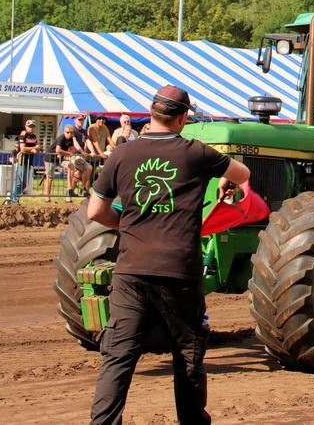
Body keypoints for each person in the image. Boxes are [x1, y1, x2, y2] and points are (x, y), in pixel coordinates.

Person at [88, 85, 249, 425]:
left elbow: (95, 211)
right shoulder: (196, 153)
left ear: (151, 112)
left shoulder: (122, 154)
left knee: (118, 356)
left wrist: (128, 225)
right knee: (187, 353)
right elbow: (243, 174)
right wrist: (226, 181)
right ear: (183, 118)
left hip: (131, 270)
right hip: (178, 271)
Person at [44, 125, 88, 203]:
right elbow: (58, 150)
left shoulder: (72, 139)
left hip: (59, 158)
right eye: (68, 132)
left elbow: (76, 146)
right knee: (49, 177)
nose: (69, 134)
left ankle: (69, 189)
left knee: (71, 166)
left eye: (71, 132)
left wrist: (82, 152)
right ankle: (47, 196)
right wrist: (68, 153)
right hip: (50, 158)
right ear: (64, 132)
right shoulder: (61, 137)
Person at [5, 119, 40, 205]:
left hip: (28, 161)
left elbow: (39, 148)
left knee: (24, 184)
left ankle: (10, 196)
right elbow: (23, 148)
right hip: (20, 160)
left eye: (33, 126)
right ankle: (14, 199)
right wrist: (33, 149)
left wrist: (35, 149)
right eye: (29, 126)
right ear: (26, 126)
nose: (31, 128)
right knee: (19, 182)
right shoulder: (23, 135)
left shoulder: (34, 136)